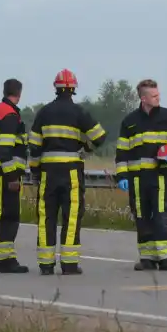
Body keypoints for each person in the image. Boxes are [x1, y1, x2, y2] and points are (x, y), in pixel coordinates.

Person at [27, 69, 107, 276]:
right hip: (71, 170)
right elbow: (99, 137)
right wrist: (85, 149)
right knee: (71, 216)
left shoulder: (43, 112)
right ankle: (69, 264)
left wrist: (35, 171)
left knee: (46, 216)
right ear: (73, 89)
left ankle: (46, 264)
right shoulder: (79, 112)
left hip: (48, 172)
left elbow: (34, 145)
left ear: (56, 88)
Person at [114, 79, 167, 271]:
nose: (158, 98)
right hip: (137, 180)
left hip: (159, 176)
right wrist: (121, 176)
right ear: (144, 98)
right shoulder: (129, 122)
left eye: (158, 94)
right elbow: (122, 152)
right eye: (154, 96)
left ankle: (165, 258)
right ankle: (147, 258)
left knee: (161, 215)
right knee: (141, 216)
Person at [0, 78, 29, 274]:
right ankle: (6, 260)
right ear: (19, 93)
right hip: (5, 173)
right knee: (8, 215)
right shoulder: (9, 115)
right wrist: (12, 177)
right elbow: (4, 149)